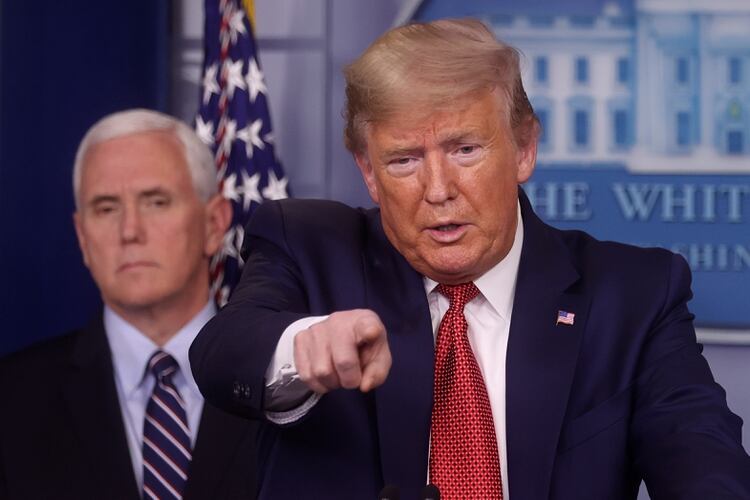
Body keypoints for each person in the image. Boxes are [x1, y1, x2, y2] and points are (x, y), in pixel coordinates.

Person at [189, 19, 750, 500]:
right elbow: (223, 352)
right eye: (404, 160)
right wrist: (300, 346)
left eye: (465, 150)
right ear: (368, 173)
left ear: (524, 148)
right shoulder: (309, 247)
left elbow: (701, 454)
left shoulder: (630, 293)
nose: (438, 190)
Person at [0, 109, 258, 499]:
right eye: (106, 208)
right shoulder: (11, 403)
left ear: (213, 224)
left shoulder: (286, 386)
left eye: (156, 202)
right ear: (83, 239)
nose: (130, 231)